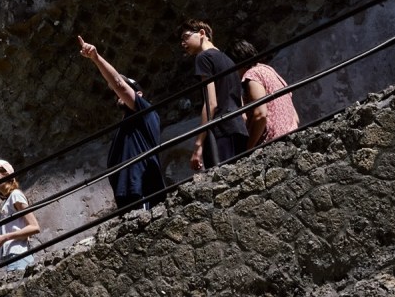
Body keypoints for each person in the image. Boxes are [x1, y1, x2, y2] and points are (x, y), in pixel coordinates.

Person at [77, 37, 165, 209]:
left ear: (139, 94)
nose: (118, 94)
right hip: (127, 190)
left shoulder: (145, 110)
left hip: (141, 186)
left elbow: (118, 84)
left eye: (125, 89)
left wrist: (96, 58)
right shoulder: (129, 122)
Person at [179, 19, 248, 171]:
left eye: (185, 37)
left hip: (221, 131)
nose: (183, 44)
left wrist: (198, 144)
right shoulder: (229, 61)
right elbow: (241, 108)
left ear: (202, 33)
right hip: (239, 129)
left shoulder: (203, 58)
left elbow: (211, 103)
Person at [233, 39, 300, 148]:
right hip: (292, 135)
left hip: (273, 143)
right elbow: (295, 117)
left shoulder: (252, 74)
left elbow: (260, 114)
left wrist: (249, 147)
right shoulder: (270, 70)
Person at [0, 160, 40, 272]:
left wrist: (4, 237)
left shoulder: (15, 195)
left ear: (6, 175)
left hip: (18, 255)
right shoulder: (9, 199)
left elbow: (34, 227)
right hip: (13, 257)